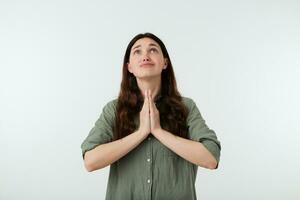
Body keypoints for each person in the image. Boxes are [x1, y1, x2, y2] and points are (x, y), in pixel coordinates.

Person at [81, 32, 221, 200]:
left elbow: (211, 158)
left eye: (153, 50)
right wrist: (141, 133)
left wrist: (158, 131)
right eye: (137, 51)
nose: (145, 56)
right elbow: (90, 161)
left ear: (165, 63)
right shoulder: (114, 109)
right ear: (129, 67)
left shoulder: (186, 107)